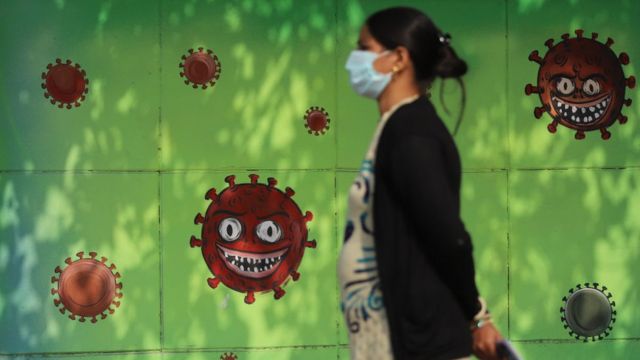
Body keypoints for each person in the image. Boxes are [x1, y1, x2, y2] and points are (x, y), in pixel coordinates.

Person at [338, 6, 504, 360]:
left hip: (419, 344)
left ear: (398, 58)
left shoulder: (411, 134)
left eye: (364, 48)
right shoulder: (396, 127)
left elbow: (447, 235)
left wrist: (476, 317)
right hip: (393, 338)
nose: (355, 59)